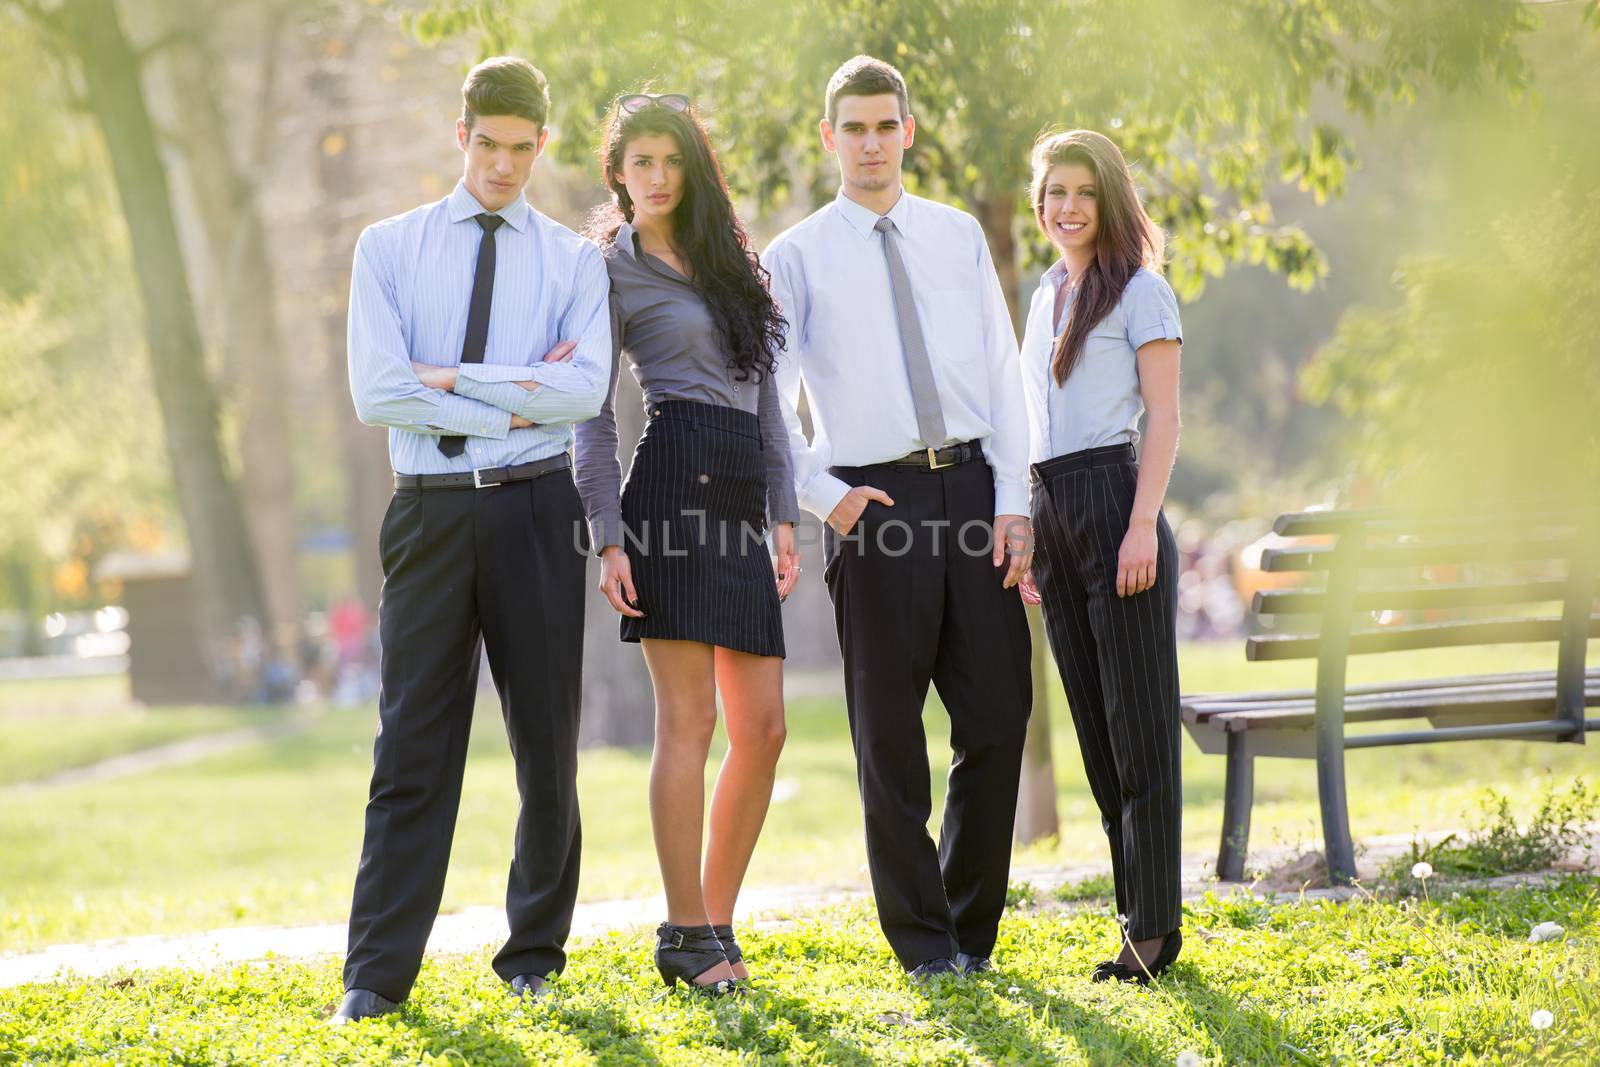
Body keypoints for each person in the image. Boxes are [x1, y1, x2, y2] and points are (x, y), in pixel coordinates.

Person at [334, 56, 611, 1023]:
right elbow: (378, 390)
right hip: (431, 512)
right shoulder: (389, 248)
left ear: (544, 145)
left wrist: (448, 382)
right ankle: (375, 974)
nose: (502, 165)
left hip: (537, 511)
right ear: (462, 137)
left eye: (521, 149)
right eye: (487, 145)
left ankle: (534, 951)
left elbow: (584, 394)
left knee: (547, 743)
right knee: (412, 742)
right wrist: (514, 391)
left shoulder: (574, 261)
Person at [764, 55, 1033, 982]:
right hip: (874, 503)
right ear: (830, 137)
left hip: (973, 489)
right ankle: (922, 944)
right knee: (889, 734)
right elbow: (771, 400)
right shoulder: (794, 257)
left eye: (886, 125)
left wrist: (1013, 502)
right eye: (855, 128)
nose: (872, 143)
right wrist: (820, 493)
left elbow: (1004, 374)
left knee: (997, 718)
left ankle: (969, 926)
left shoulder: (957, 237)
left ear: (908, 131)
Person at [575, 92, 800, 993]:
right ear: (619, 177)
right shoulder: (608, 272)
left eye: (671, 161)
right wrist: (607, 536)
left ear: (692, 167)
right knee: (690, 721)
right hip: (669, 480)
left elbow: (769, 397)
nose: (657, 178)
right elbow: (591, 414)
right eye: (641, 165)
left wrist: (785, 512)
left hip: (744, 488)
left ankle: (712, 920)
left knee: (766, 727)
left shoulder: (732, 263)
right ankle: (684, 930)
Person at [1017, 129, 1186, 984]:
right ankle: (1135, 915)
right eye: (1055, 193)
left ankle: (1154, 930)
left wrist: (1140, 526)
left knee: (1140, 728)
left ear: (1108, 200)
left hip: (1119, 503)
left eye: (1083, 192)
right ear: (1039, 203)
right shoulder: (1044, 295)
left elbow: (1163, 417)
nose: (1068, 208)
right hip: (1054, 511)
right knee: (1094, 733)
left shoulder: (1141, 293)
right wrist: (1031, 534)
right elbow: (1031, 425)